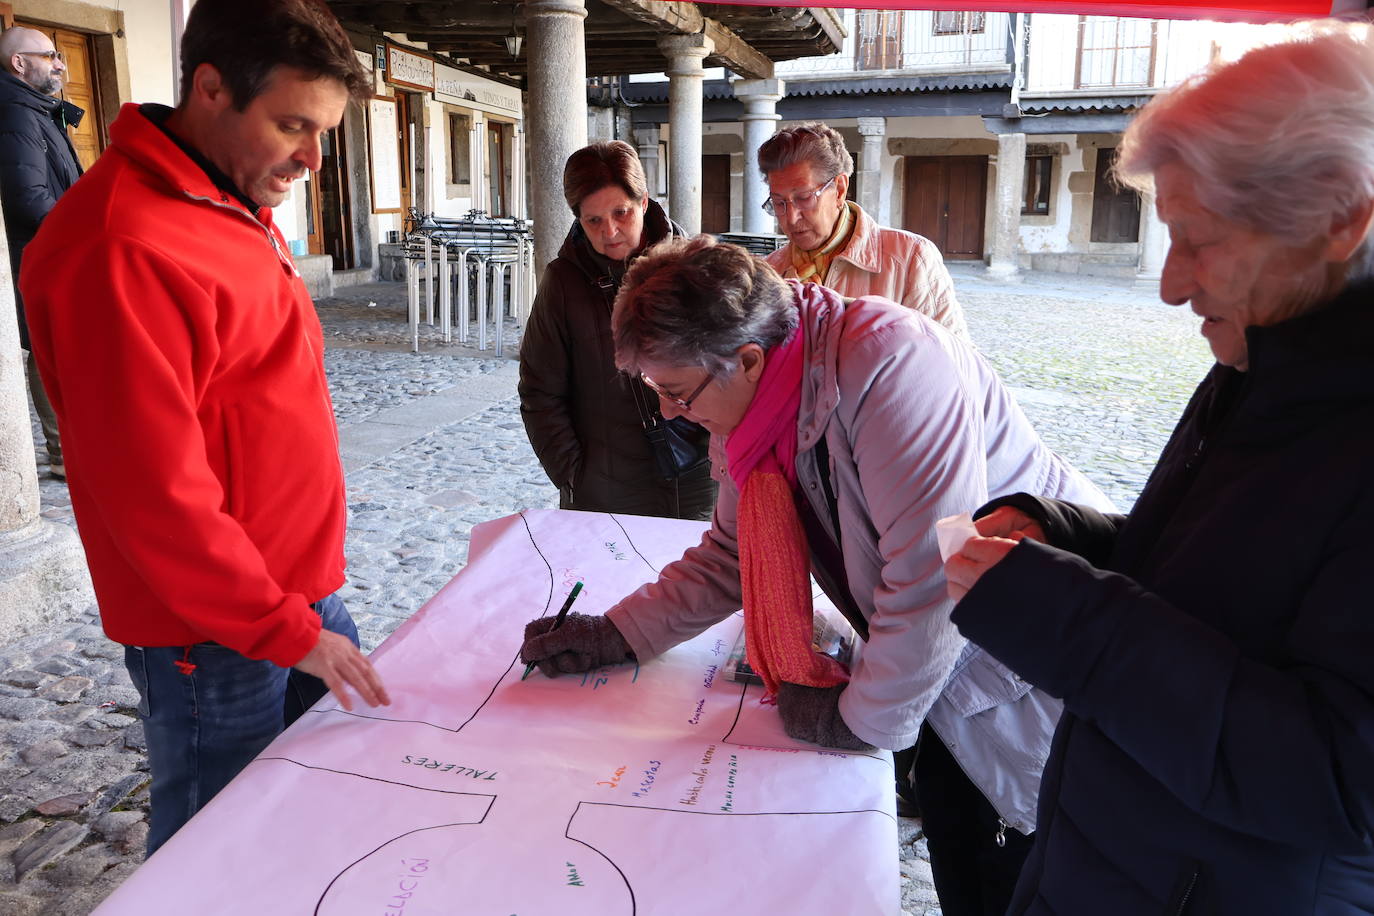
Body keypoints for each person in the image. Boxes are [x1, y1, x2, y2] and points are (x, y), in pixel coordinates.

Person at [520, 236, 1113, 916]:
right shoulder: (759, 397)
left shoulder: (892, 365)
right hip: (938, 680)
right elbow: (729, 554)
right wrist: (616, 634)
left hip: (1029, 668)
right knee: (964, 861)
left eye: (677, 393)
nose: (673, 415)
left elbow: (931, 581)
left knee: (1034, 875)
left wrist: (855, 722)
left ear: (745, 359)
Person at [944, 23, 1374, 915]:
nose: (1172, 285)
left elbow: (1341, 781)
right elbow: (1218, 579)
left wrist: (1069, 615)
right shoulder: (1263, 360)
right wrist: (1066, 535)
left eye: (1199, 240)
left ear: (1340, 219)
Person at [21, 0, 390, 856]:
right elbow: (152, 495)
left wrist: (306, 602)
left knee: (319, 823)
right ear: (210, 89)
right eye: (293, 125)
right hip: (214, 628)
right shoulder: (120, 243)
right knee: (214, 853)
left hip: (296, 591)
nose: (312, 158)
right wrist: (283, 629)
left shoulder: (223, 192)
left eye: (325, 130)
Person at [519, 141, 717, 520]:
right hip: (605, 490)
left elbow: (730, 367)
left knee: (699, 575)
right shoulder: (563, 282)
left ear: (643, 202)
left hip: (699, 476)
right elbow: (539, 391)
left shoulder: (693, 265)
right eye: (593, 220)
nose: (609, 231)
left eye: (621, 212)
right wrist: (574, 476)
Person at [759, 121, 969, 340]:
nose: (791, 218)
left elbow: (953, 359)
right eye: (779, 202)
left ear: (840, 189)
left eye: (804, 198)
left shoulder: (910, 259)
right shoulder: (770, 272)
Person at [0, 25, 82, 479]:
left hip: (56, 252)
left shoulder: (36, 109)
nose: (60, 64)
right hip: (42, 256)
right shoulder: (16, 112)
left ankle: (70, 448)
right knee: (49, 349)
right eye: (50, 55)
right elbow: (29, 199)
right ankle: (64, 455)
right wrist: (85, 234)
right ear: (19, 63)